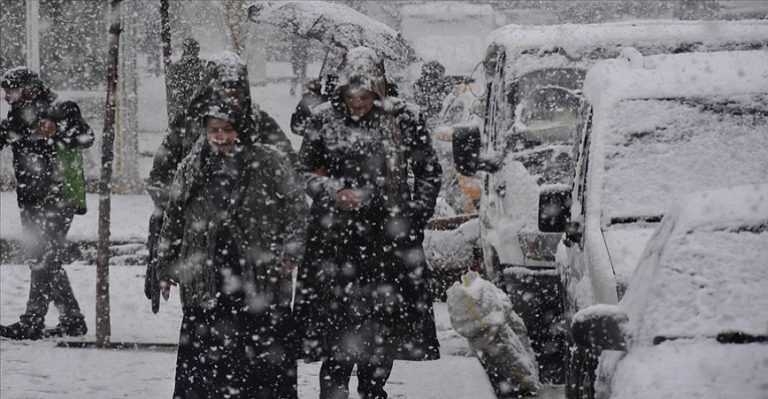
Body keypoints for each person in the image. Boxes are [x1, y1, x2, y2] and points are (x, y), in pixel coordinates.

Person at [296, 47, 442, 399]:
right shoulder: (323, 119)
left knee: (382, 329)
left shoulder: (404, 118)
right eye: (351, 96)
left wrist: (414, 216)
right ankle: (334, 392)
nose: (358, 103)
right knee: (336, 329)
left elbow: (428, 172)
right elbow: (301, 171)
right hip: (334, 241)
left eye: (365, 96)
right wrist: (333, 191)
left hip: (388, 241)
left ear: (379, 90)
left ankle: (373, 390)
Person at [156, 93, 307, 398]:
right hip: (207, 277)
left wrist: (291, 249)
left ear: (241, 129)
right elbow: (173, 217)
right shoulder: (191, 167)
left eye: (227, 129)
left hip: (259, 276)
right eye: (214, 130)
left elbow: (296, 207)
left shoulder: (268, 161)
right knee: (206, 363)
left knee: (261, 359)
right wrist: (166, 265)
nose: (221, 137)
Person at [145, 52, 295, 305]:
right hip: (201, 245)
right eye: (224, 88)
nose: (230, 96)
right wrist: (189, 206)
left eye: (236, 89)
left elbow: (290, 171)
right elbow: (160, 179)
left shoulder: (260, 124)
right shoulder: (189, 123)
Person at [0, 67, 94, 340]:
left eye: (11, 92)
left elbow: (86, 137)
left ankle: (32, 321)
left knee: (44, 258)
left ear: (29, 89)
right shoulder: (19, 114)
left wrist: (58, 130)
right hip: (30, 197)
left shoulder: (62, 107)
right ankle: (72, 320)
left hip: (59, 196)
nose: (8, 98)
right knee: (42, 258)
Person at [166, 37, 207, 122]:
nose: (194, 52)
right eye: (192, 49)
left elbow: (172, 90)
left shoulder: (176, 67)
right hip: (189, 109)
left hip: (188, 109)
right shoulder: (201, 67)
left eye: (195, 50)